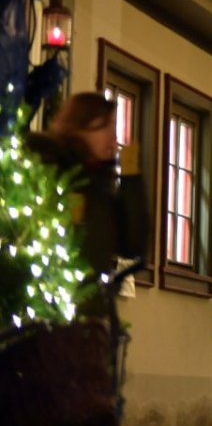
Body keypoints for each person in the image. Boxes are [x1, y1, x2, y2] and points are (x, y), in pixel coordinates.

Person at [28, 92, 149, 316]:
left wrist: (132, 181)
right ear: (81, 125)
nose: (114, 139)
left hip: (90, 318)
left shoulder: (100, 187)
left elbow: (132, 244)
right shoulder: (49, 164)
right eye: (107, 127)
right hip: (43, 315)